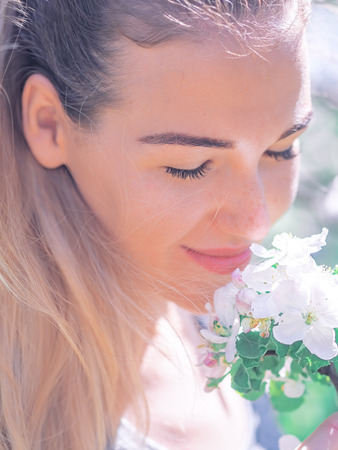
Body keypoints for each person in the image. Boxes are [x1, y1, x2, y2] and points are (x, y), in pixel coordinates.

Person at [0, 0, 338, 449]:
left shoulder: (220, 316)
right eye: (190, 166)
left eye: (282, 149)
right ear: (49, 124)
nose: (255, 223)